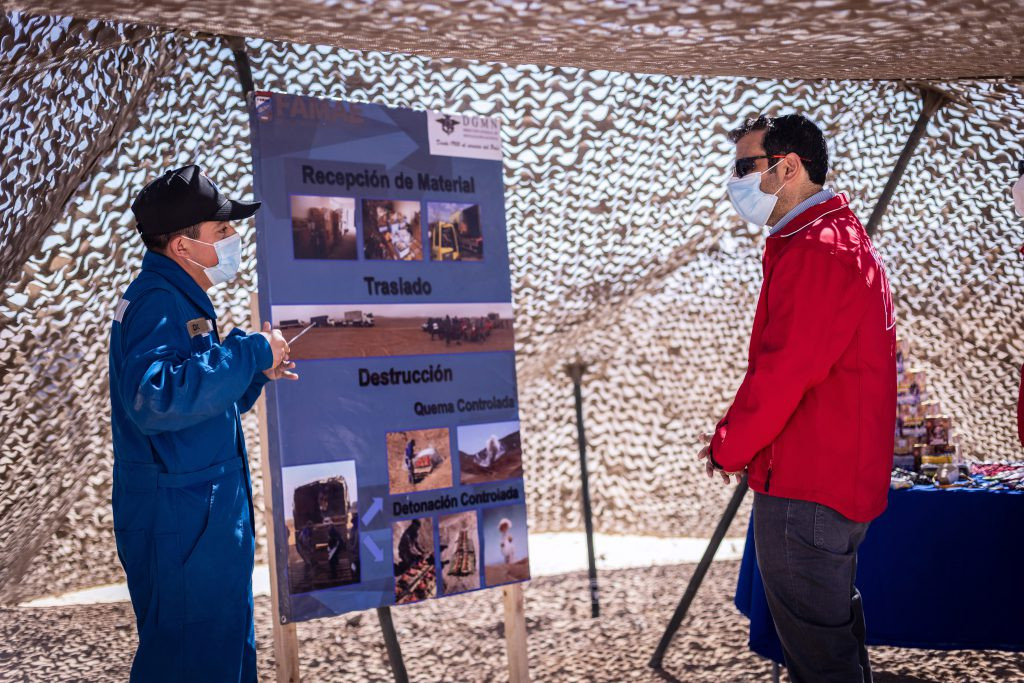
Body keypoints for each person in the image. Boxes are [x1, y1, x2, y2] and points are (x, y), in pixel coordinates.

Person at [698, 114, 896, 683]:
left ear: (787, 168)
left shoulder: (818, 248)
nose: (734, 181)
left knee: (820, 662)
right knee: (833, 641)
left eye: (744, 167)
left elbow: (785, 372)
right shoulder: (835, 238)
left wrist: (729, 446)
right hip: (831, 478)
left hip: (808, 486)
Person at [109, 165, 298, 682]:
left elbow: (196, 408)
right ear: (182, 247)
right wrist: (246, 352)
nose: (235, 238)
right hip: (183, 520)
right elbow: (153, 399)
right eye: (223, 231)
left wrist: (255, 373)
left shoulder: (177, 297)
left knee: (219, 656)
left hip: (199, 513)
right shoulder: (157, 303)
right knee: (190, 664)